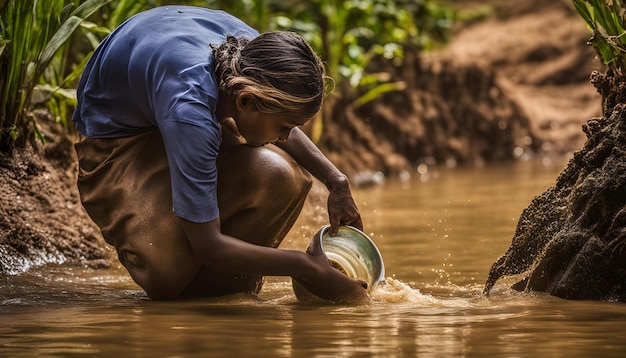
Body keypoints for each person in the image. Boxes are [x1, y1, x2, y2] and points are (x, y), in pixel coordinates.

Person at [72, 5, 368, 302]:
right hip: (116, 144)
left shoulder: (254, 56)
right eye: (284, 127)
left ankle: (230, 292)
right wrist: (303, 266)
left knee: (284, 177)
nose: (284, 137)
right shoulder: (190, 111)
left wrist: (335, 181)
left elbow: (272, 113)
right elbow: (209, 247)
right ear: (245, 101)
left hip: (162, 105)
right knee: (167, 282)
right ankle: (206, 299)